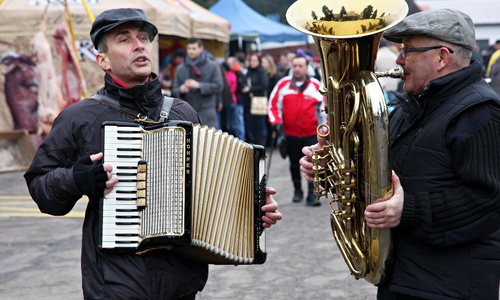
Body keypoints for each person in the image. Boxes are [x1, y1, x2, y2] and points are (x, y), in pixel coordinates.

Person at [23, 8, 282, 299]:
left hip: (182, 280)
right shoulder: (79, 117)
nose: (139, 45)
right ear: (103, 60)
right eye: (124, 39)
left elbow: (208, 186)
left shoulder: (182, 112)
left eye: (144, 38)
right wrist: (76, 180)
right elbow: (40, 186)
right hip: (116, 282)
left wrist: (251, 209)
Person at [300, 8, 500, 299]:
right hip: (404, 275)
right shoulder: (411, 105)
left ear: (442, 57)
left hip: (451, 285)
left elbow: (488, 202)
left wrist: (409, 210)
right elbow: (378, 174)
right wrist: (332, 164)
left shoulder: (481, 112)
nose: (397, 59)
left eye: (407, 51)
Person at [269, 55, 325, 206]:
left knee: (312, 164)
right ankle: (297, 191)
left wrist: (325, 131)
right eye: (295, 66)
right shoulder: (283, 84)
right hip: (290, 133)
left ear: (307, 68)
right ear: (291, 67)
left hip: (310, 134)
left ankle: (312, 195)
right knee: (294, 164)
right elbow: (273, 105)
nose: (297, 69)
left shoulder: (315, 85)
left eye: (301, 66)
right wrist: (276, 121)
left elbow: (324, 110)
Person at [172, 38, 223, 128]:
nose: (191, 51)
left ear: (201, 49)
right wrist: (181, 89)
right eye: (189, 48)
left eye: (194, 48)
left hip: (207, 113)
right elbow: (174, 89)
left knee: (208, 141)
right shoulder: (180, 68)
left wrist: (200, 85)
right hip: (186, 113)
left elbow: (219, 86)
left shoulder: (212, 66)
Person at [244, 53, 269, 146]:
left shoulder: (262, 72)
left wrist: (250, 89)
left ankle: (262, 144)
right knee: (251, 125)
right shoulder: (248, 72)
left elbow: (264, 85)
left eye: (255, 60)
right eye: (251, 60)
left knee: (260, 125)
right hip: (249, 102)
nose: (252, 62)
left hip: (259, 101)